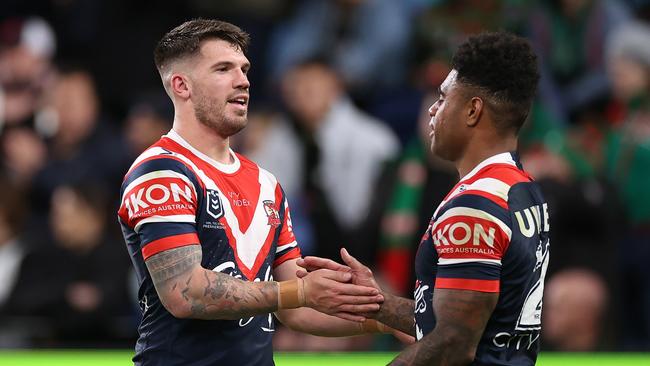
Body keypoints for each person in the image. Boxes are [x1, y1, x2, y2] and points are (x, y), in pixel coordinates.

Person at [117, 19, 389, 365]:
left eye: (244, 69)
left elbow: (297, 311)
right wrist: (302, 291)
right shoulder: (161, 172)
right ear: (182, 85)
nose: (243, 80)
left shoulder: (266, 183)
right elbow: (185, 293)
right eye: (223, 69)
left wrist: (384, 319)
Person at [299, 31, 548, 365]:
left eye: (444, 98)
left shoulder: (475, 205)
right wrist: (380, 304)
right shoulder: (520, 187)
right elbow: (470, 323)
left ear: (473, 110)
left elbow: (453, 344)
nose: (432, 110)